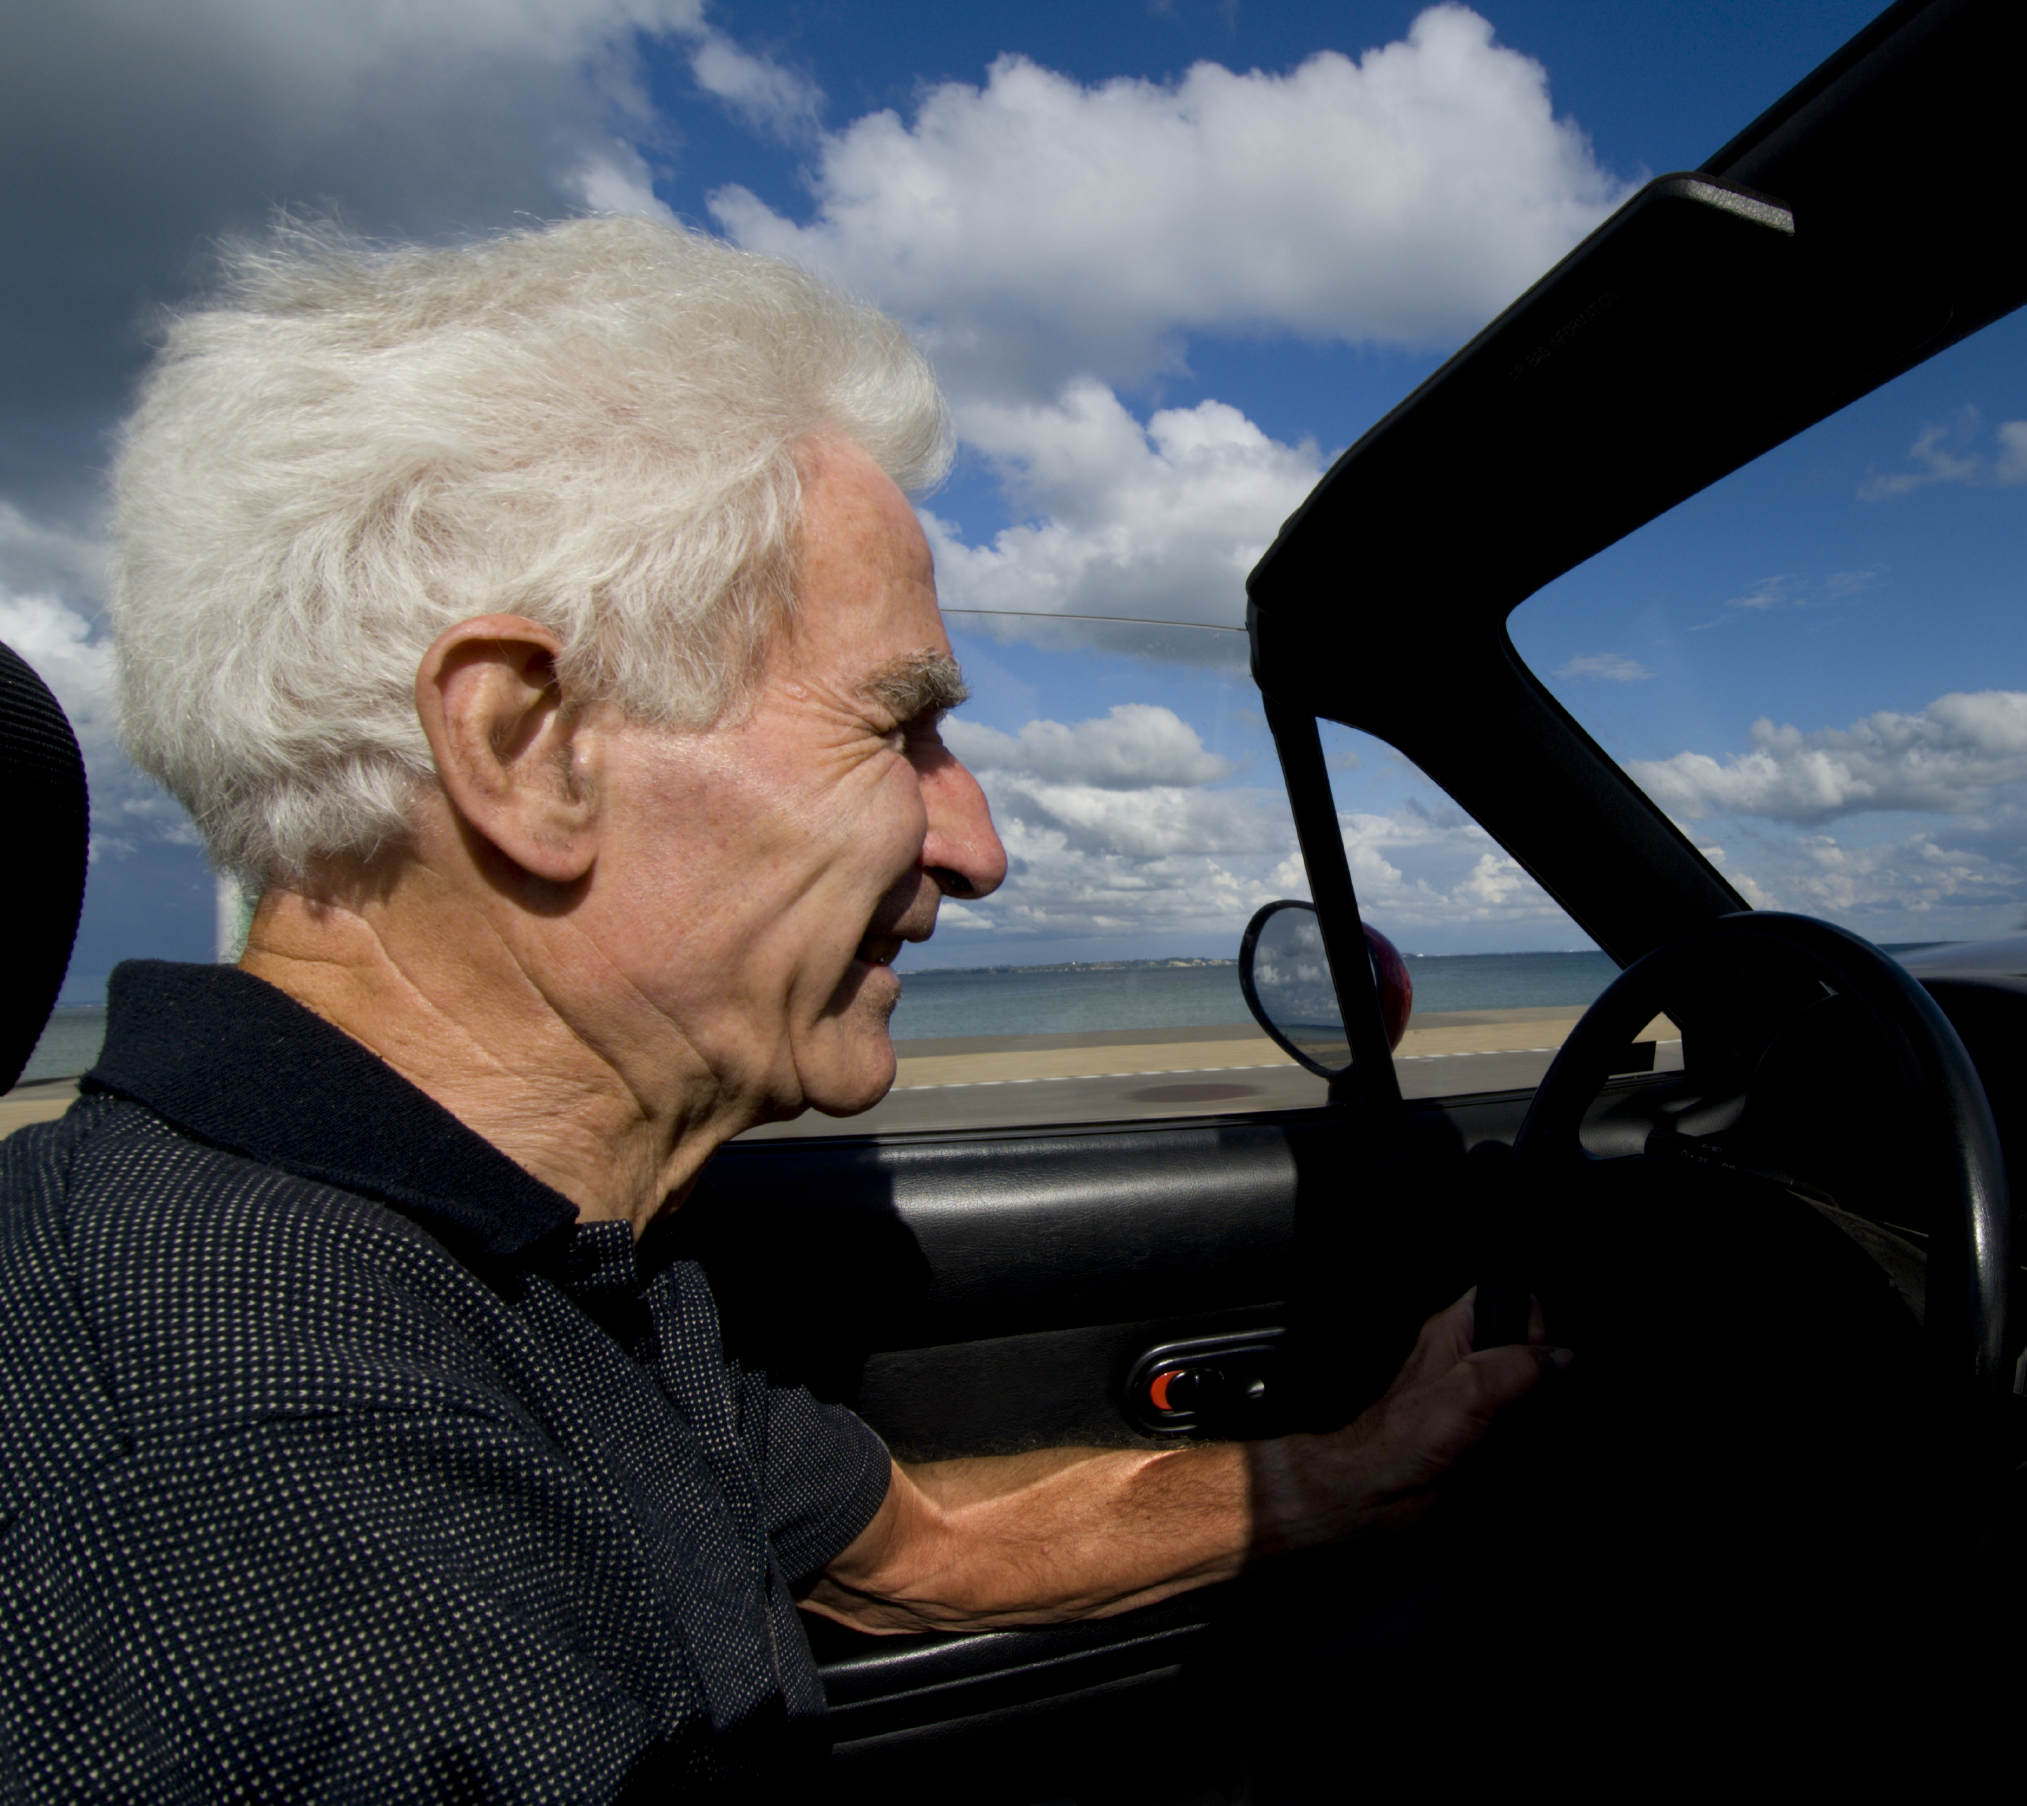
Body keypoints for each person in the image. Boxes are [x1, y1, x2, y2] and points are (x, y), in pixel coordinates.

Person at [0, 216, 1557, 1794]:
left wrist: (1366, 1470)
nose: (980, 844)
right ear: (529, 745)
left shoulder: (504, 1244)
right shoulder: (278, 1501)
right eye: (901, 731)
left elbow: (913, 1548)